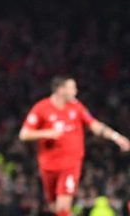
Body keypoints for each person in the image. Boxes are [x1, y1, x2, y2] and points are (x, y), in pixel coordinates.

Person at [19, 76, 130, 216]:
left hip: (70, 164)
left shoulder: (76, 107)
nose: (75, 91)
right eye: (72, 88)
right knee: (54, 208)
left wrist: (116, 137)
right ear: (60, 90)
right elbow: (24, 134)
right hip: (48, 166)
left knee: (62, 207)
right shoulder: (41, 108)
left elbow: (94, 125)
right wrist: (46, 133)